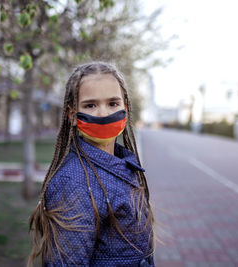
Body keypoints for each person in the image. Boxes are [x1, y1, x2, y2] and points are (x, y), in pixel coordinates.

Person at [28, 62, 155, 267]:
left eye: (113, 103)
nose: (104, 113)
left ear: (126, 108)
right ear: (72, 115)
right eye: (90, 105)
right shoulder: (73, 183)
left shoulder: (124, 164)